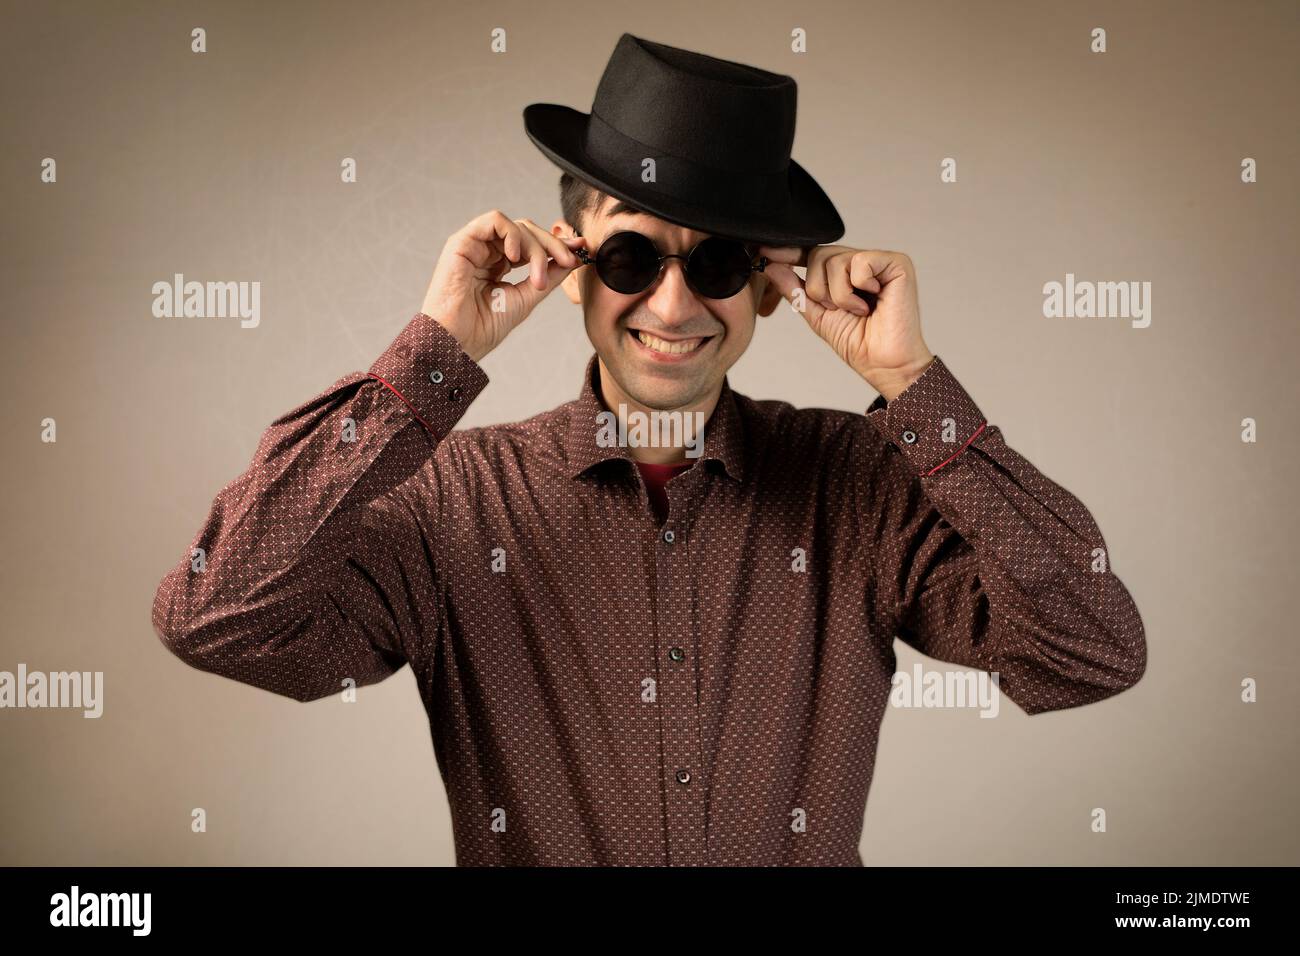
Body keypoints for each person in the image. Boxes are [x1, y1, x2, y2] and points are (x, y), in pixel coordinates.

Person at [152, 33, 1145, 866]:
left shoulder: (856, 484)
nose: (672, 306)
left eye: (714, 261)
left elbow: (1088, 650)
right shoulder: (451, 501)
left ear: (766, 282)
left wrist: (912, 383)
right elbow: (217, 614)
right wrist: (431, 355)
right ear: (572, 266)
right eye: (632, 257)